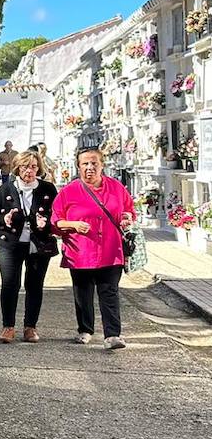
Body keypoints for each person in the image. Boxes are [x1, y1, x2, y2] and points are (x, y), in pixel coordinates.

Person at [52, 147, 136, 349]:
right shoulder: (69, 191)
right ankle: (85, 329)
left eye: (94, 163)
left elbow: (129, 211)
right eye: (85, 164)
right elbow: (55, 221)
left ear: (102, 165)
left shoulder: (116, 187)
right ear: (78, 166)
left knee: (109, 292)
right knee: (83, 294)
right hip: (80, 252)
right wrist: (73, 224)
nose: (90, 167)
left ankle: (113, 335)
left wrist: (126, 218)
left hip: (110, 250)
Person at [0, 150, 57, 343]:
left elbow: (58, 216)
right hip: (10, 243)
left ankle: (30, 327)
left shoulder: (48, 189)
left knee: (34, 285)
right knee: (10, 284)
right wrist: (4, 219)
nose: (29, 171)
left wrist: (47, 223)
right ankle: (8, 326)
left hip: (38, 244)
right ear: (17, 168)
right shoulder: (6, 189)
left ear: (38, 168)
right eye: (25, 167)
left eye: (33, 167)